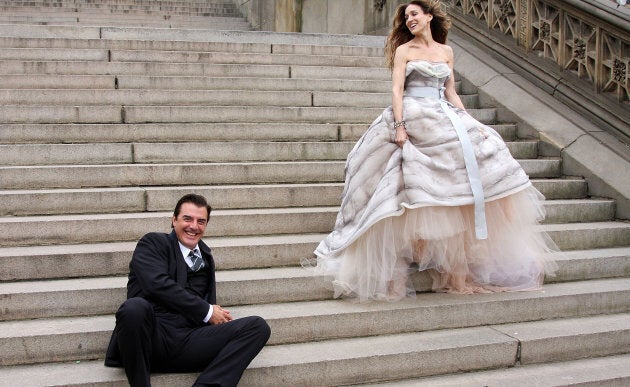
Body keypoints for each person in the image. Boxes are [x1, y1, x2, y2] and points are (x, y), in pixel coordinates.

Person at [312, 0, 558, 302]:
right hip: (414, 112)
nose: (409, 19)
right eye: (406, 17)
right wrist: (400, 125)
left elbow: (451, 91)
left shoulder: (446, 52)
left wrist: (469, 120)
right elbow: (396, 91)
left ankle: (454, 260)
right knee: (401, 176)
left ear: (429, 16)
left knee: (485, 149)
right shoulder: (405, 51)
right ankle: (402, 260)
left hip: (443, 113)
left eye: (414, 14)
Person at [105, 193, 271, 387]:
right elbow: (156, 284)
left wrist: (216, 316)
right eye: (187, 219)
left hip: (188, 340)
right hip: (151, 338)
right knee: (133, 308)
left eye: (201, 221)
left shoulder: (205, 256)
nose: (194, 226)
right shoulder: (153, 243)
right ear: (174, 220)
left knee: (257, 327)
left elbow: (206, 303)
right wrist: (207, 311)